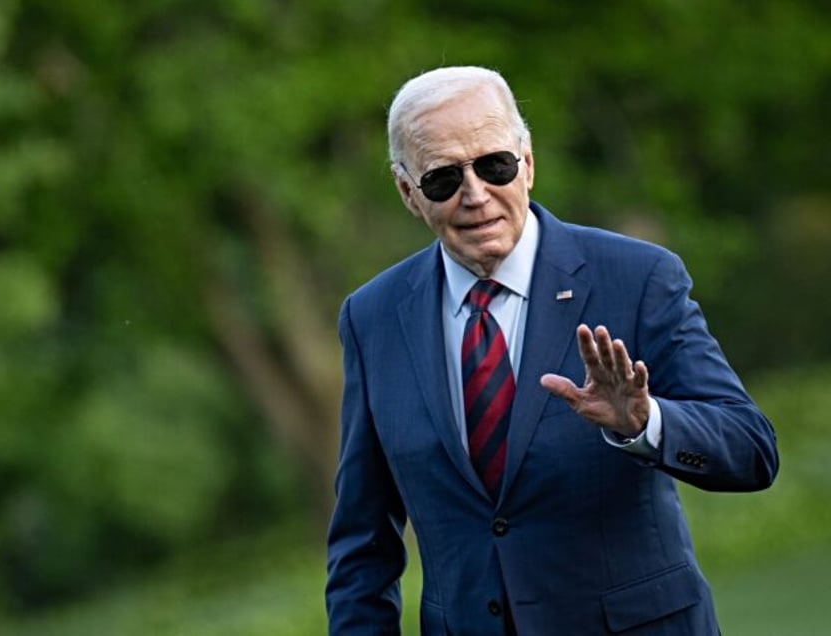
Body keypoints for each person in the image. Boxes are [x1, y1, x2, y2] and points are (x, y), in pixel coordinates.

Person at [325, 66, 778, 635]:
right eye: (443, 179)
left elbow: (752, 450)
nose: (475, 195)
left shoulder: (638, 278)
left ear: (528, 162)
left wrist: (645, 423)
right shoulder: (372, 318)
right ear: (407, 192)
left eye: (494, 166)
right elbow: (362, 543)